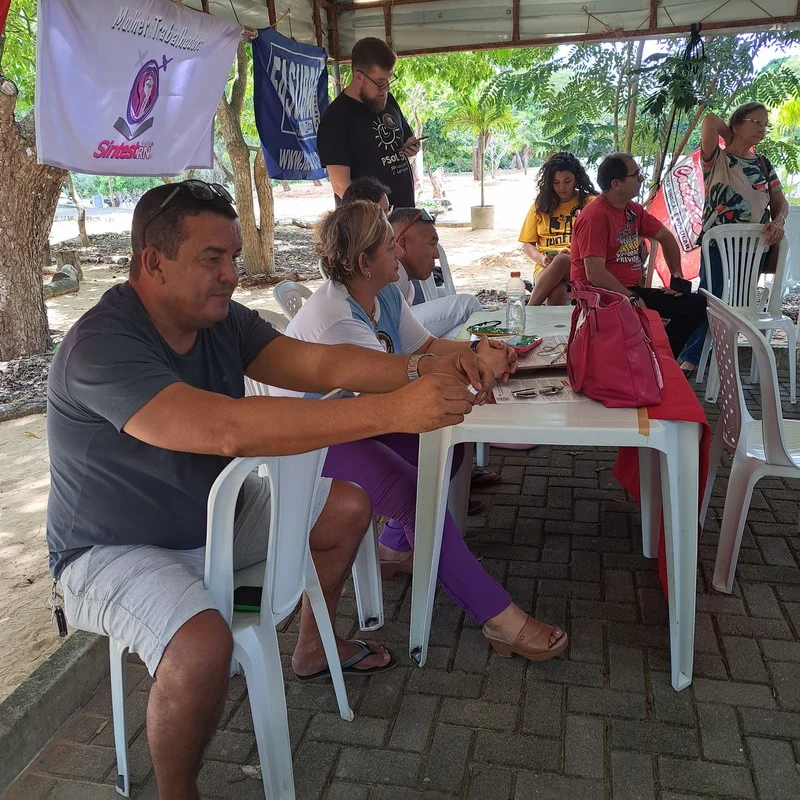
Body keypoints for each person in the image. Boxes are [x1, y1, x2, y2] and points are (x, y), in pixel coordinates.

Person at [45, 181, 490, 798]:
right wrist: (397, 409)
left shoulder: (220, 319)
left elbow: (320, 364)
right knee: (202, 649)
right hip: (112, 546)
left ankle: (312, 647)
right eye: (212, 258)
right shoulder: (100, 346)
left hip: (214, 515)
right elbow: (225, 430)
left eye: (233, 256)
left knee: (347, 508)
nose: (232, 274)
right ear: (153, 261)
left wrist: (425, 366)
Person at [271, 200, 569, 664]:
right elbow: (401, 392)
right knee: (417, 493)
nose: (399, 252)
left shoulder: (383, 292)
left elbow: (425, 347)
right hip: (309, 439)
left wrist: (479, 351)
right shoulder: (338, 318)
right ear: (364, 262)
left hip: (353, 417)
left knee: (450, 448)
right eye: (389, 246)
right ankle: (498, 617)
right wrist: (475, 368)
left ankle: (395, 548)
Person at [678, 103, 789, 374]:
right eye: (755, 122)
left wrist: (778, 222)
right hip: (717, 246)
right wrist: (731, 138)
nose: (761, 129)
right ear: (737, 123)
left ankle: (706, 357)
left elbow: (780, 202)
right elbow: (709, 119)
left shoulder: (763, 164)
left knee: (737, 302)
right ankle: (693, 357)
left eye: (765, 124)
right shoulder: (716, 158)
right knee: (712, 297)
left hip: (754, 249)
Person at [570, 153, 707, 357]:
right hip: (597, 296)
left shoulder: (632, 210)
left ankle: (656, 359)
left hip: (627, 291)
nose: (641, 179)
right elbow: (595, 274)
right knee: (676, 309)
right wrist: (631, 298)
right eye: (635, 175)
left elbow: (666, 237)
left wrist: (677, 280)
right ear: (616, 184)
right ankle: (651, 360)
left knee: (695, 305)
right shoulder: (595, 216)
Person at [317, 37, 421, 207]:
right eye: (380, 83)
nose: (385, 89)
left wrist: (411, 145)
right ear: (359, 76)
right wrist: (378, 215)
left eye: (388, 80)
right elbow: (341, 186)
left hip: (403, 213)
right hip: (369, 220)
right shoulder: (336, 119)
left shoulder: (387, 100)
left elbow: (405, 138)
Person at [520, 152, 597, 306]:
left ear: (576, 178)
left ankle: (528, 311)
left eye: (567, 181)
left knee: (562, 259)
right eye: (556, 182)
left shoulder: (590, 203)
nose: (562, 187)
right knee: (556, 291)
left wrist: (574, 254)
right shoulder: (540, 205)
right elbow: (528, 245)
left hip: (579, 266)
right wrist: (543, 259)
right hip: (545, 267)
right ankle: (553, 324)